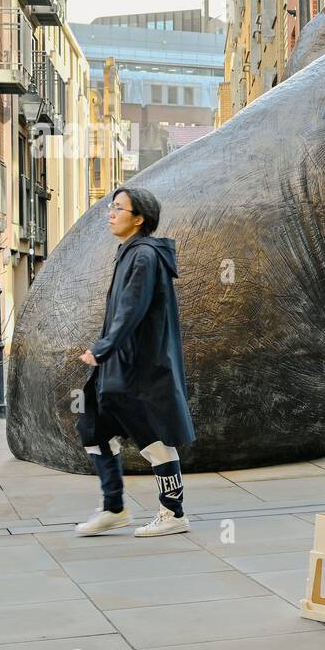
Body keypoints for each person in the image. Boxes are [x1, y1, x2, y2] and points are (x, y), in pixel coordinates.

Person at [74, 186, 196, 536]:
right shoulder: (128, 252)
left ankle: (174, 514)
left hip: (139, 370)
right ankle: (114, 507)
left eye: (118, 208)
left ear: (139, 218)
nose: (110, 213)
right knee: (93, 428)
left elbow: (131, 310)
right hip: (118, 367)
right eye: (111, 207)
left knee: (153, 438)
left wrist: (102, 349)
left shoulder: (144, 256)